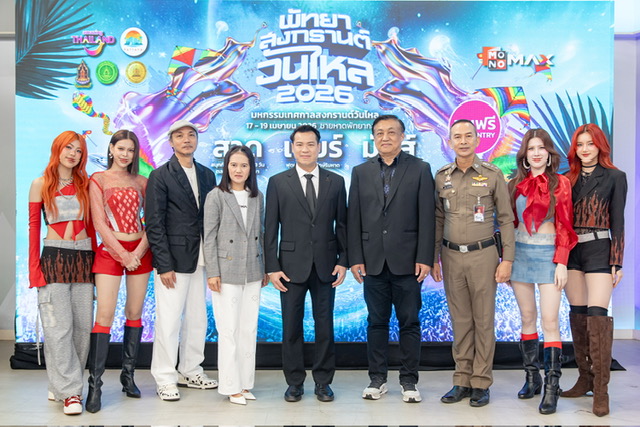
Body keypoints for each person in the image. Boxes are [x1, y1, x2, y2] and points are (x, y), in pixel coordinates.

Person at [348, 114, 435, 403]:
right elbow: (353, 218)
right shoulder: (360, 172)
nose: (385, 137)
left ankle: (409, 381)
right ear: (374, 138)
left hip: (408, 261)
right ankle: (377, 379)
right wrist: (355, 258)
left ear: (402, 136)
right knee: (376, 322)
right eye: (379, 133)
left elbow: (427, 216)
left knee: (409, 322)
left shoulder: (420, 169)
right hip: (372, 261)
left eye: (391, 132)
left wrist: (425, 257)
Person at [432, 119, 515, 407]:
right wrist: (434, 258)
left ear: (478, 140)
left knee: (483, 320)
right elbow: (438, 219)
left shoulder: (492, 175)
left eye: (468, 136)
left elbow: (506, 219)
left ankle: (481, 382)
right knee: (460, 321)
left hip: (484, 256)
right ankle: (461, 380)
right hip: (451, 256)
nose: (463, 141)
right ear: (450, 142)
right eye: (457, 137)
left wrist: (507, 259)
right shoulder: (441, 176)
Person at [265, 124, 347, 403]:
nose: (305, 149)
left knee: (325, 326)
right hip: (289, 267)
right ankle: (294, 382)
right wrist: (272, 266)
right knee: (291, 327)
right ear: (292, 148)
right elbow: (270, 228)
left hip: (326, 265)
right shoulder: (278, 182)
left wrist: (344, 261)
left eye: (310, 144)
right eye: (299, 144)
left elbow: (342, 225)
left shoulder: (336, 182)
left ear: (319, 147)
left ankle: (323, 382)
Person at [146, 119, 218, 401]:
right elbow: (154, 223)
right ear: (171, 142)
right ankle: (165, 377)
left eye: (191, 135)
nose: (186, 140)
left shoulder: (207, 174)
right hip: (173, 262)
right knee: (168, 321)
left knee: (198, 319)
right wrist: (163, 264)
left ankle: (190, 370)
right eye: (179, 136)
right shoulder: (160, 176)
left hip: (201, 259)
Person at [507, 128, 577, 414]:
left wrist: (562, 262)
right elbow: (509, 224)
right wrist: (506, 260)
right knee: (527, 317)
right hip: (520, 255)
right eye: (531, 148)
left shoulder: (561, 183)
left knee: (550, 320)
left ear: (549, 153)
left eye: (541, 148)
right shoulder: (514, 184)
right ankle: (531, 378)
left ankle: (551, 387)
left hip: (550, 256)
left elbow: (565, 225)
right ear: (525, 155)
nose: (536, 153)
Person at [561, 123, 627, 417]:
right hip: (572, 249)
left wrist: (617, 261)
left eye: (590, 143)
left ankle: (601, 390)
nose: (585, 149)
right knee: (577, 314)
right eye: (580, 144)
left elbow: (618, 220)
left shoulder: (615, 177)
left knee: (598, 315)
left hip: (600, 247)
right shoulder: (566, 179)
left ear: (601, 146)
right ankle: (584, 378)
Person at [28, 131, 95, 415]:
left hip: (84, 257)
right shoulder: (40, 184)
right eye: (69, 147)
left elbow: (92, 225)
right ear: (57, 148)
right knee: (58, 328)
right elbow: (34, 227)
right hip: (54, 257)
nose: (73, 154)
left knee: (82, 328)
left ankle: (64, 384)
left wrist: (96, 265)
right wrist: (34, 270)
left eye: (78, 150)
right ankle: (70, 393)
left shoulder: (86, 184)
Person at [85, 130, 151, 412]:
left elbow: (152, 221)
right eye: (121, 148)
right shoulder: (98, 180)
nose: (125, 154)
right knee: (105, 314)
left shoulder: (143, 182)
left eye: (131, 150)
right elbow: (100, 223)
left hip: (140, 252)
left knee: (134, 312)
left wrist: (137, 252)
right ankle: (95, 386)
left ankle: (128, 376)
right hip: (110, 252)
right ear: (111, 149)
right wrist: (123, 254)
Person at [203, 145, 268, 405]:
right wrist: (212, 272)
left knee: (248, 329)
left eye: (243, 165)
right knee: (228, 330)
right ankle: (230, 386)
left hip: (253, 269)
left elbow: (262, 233)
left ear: (251, 168)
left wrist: (264, 268)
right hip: (226, 270)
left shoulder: (257, 196)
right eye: (233, 165)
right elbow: (209, 236)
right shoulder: (216, 196)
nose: (238, 170)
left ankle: (245, 383)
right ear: (226, 167)